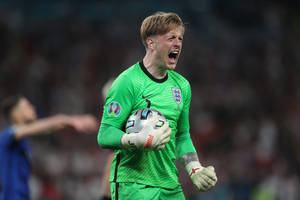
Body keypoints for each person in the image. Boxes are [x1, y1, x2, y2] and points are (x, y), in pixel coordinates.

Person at [97, 12, 217, 200]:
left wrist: (194, 168)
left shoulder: (182, 86)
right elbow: (105, 134)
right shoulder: (127, 82)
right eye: (171, 38)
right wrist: (137, 140)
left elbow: (182, 135)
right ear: (151, 43)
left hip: (170, 185)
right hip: (133, 185)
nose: (177, 43)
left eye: (180, 38)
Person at [0, 95, 98, 200]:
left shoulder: (21, 141)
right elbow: (42, 126)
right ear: (15, 114)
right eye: (27, 105)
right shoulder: (7, 135)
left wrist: (69, 122)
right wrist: (66, 119)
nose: (33, 107)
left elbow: (47, 127)